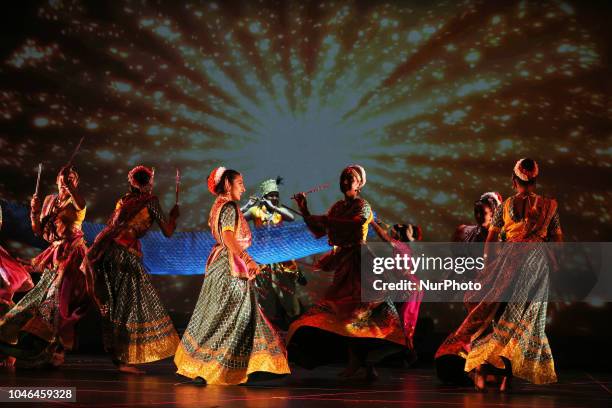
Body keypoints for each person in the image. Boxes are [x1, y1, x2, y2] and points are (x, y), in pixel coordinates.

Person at [439, 158, 562, 391]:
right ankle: (504, 378)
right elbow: (557, 240)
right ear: (534, 180)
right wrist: (553, 262)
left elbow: (491, 242)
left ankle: (484, 373)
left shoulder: (505, 206)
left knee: (492, 315)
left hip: (510, 263)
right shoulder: (550, 207)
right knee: (518, 323)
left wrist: (489, 267)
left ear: (513, 180)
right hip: (536, 268)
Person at [288, 165, 410, 380]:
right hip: (344, 262)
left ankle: (359, 363)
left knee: (357, 314)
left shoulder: (363, 206)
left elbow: (354, 226)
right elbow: (320, 231)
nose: (345, 181)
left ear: (359, 184)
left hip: (360, 262)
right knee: (347, 315)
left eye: (350, 178)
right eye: (343, 178)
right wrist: (305, 210)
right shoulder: (336, 207)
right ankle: (365, 364)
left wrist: (326, 220)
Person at [174, 167, 290, 385]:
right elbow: (228, 237)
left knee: (226, 317)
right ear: (228, 185)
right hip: (230, 268)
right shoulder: (228, 207)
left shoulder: (219, 205)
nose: (244, 188)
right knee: (235, 317)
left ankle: (242, 366)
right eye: (240, 183)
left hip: (223, 265)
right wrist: (248, 260)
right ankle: (228, 367)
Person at [85, 165, 180, 374]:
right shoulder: (151, 201)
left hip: (109, 252)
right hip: (124, 256)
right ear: (149, 183)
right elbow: (168, 232)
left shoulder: (123, 200)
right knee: (127, 306)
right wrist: (174, 216)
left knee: (115, 303)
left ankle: (120, 358)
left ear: (132, 182)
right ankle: (122, 360)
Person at [0, 166, 90, 367]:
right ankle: (22, 348)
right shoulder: (50, 200)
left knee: (58, 304)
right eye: (63, 177)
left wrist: (71, 188)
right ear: (57, 179)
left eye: (72, 178)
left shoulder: (76, 201)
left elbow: (81, 204)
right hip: (55, 256)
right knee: (38, 302)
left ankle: (57, 351)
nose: (67, 180)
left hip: (72, 258)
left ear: (76, 182)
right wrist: (34, 212)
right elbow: (39, 232)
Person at [435, 192, 503, 385]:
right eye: (477, 212)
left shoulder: (501, 235)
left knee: (490, 331)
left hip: (494, 292)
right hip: (474, 291)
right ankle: (477, 370)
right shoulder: (467, 233)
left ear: (494, 213)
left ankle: (488, 371)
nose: (479, 216)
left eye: (484, 212)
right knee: (476, 333)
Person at [241, 177, 306, 327]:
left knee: (286, 292)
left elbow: (291, 217)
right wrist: (248, 205)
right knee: (265, 294)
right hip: (262, 259)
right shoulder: (255, 211)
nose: (275, 198)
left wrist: (274, 207)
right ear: (264, 197)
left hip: (281, 258)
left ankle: (294, 321)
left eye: (276, 195)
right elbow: (236, 219)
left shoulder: (279, 211)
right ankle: (270, 325)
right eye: (271, 195)